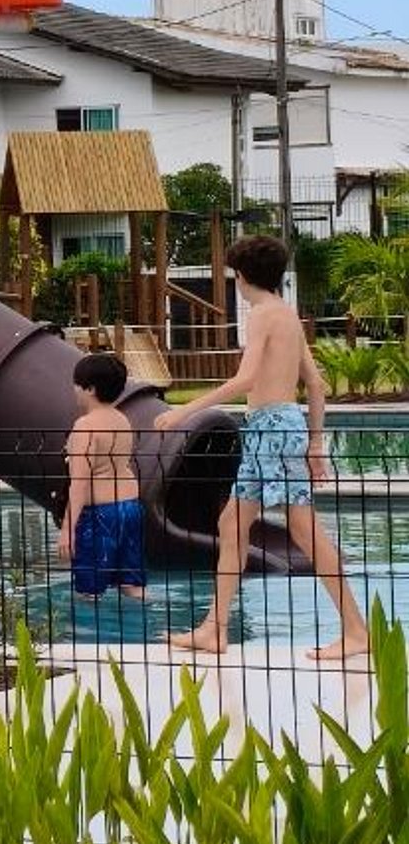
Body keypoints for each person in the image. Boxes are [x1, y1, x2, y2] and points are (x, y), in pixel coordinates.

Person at [160, 231, 368, 663]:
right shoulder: (287, 315)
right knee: (232, 523)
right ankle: (214, 628)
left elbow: (246, 379)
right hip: (276, 429)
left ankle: (355, 630)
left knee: (303, 530)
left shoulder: (260, 315)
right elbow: (316, 385)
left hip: (270, 429)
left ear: (240, 275)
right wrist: (314, 443)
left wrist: (184, 412)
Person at [58, 351, 146, 599]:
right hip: (130, 507)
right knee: (132, 585)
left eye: (77, 385)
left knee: (89, 592)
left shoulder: (85, 426)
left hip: (100, 515)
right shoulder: (122, 420)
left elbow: (79, 483)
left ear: (90, 389)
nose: (74, 390)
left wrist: (67, 529)